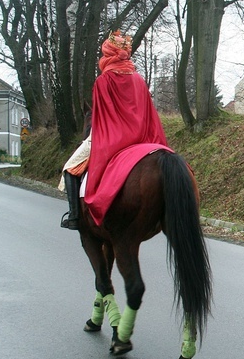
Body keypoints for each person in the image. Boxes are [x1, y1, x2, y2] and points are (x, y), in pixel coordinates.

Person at [60, 29, 169, 229]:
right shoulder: (138, 80)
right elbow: (148, 114)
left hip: (114, 138)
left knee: (70, 168)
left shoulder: (104, 81)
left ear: (108, 55)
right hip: (143, 138)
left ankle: (74, 217)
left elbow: (101, 120)